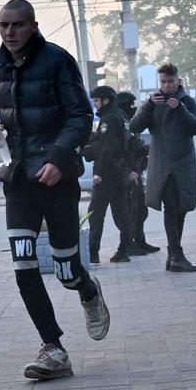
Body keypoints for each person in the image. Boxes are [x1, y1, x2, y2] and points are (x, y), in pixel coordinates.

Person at [0, 0, 110, 381]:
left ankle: (86, 290)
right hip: (17, 180)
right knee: (23, 265)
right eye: (3, 25)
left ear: (33, 25)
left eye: (17, 25)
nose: (9, 33)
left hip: (57, 179)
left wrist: (57, 158)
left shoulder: (57, 60)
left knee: (66, 268)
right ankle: (53, 348)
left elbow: (82, 115)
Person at [129, 63, 196, 272]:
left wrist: (180, 109)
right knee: (171, 208)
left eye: (170, 82)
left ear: (178, 81)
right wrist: (148, 105)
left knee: (180, 209)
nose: (166, 86)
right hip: (161, 165)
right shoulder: (153, 103)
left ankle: (174, 256)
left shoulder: (187, 102)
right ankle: (176, 255)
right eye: (163, 82)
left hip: (182, 165)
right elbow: (134, 127)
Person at [83, 86, 136, 263]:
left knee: (95, 214)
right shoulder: (122, 116)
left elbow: (108, 148)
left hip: (107, 173)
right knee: (122, 213)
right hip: (121, 172)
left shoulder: (108, 119)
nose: (96, 105)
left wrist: (99, 173)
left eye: (97, 101)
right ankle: (124, 250)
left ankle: (93, 253)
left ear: (106, 100)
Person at [116, 91, 159, 254]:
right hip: (126, 174)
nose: (133, 107)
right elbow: (119, 151)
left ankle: (140, 240)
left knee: (141, 210)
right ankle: (128, 244)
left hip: (136, 170)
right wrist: (128, 171)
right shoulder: (119, 122)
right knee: (129, 212)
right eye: (130, 104)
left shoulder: (130, 122)